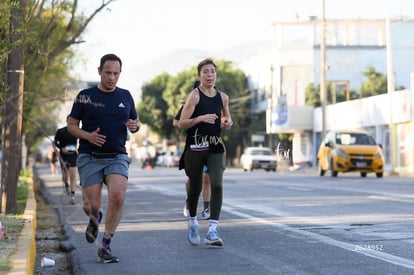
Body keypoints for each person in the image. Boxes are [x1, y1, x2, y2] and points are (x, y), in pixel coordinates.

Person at [67, 53, 140, 263]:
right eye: (108, 73)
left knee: (118, 196)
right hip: (90, 156)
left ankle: (106, 244)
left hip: (117, 155)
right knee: (92, 205)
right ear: (99, 71)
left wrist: (136, 126)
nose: (112, 77)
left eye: (116, 73)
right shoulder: (85, 96)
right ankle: (94, 217)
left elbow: (135, 122)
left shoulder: (125, 95)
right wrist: (88, 136)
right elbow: (72, 125)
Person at [178, 58, 233, 247]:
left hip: (215, 146)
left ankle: (212, 230)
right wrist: (200, 118)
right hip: (195, 147)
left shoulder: (223, 97)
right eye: (206, 72)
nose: (210, 75)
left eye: (213, 72)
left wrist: (227, 123)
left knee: (216, 184)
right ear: (199, 75)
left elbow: (226, 118)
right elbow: (182, 122)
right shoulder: (194, 96)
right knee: (195, 189)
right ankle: (193, 222)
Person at [173, 86, 211, 220]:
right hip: (193, 145)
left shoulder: (215, 101)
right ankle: (189, 200)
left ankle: (207, 208)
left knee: (207, 178)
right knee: (194, 179)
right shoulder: (190, 103)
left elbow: (224, 118)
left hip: (210, 144)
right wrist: (193, 121)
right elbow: (176, 122)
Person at [54, 115, 79, 204]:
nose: (71, 121)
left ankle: (72, 195)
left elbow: (79, 141)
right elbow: (55, 142)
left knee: (73, 175)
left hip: (73, 154)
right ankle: (66, 185)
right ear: (67, 120)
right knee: (65, 176)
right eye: (70, 120)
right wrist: (61, 148)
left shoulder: (76, 131)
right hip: (63, 155)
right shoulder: (61, 131)